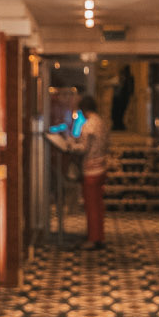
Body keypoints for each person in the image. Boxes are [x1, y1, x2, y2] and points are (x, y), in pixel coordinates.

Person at [48, 94, 109, 249]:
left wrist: (69, 146)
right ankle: (99, 236)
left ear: (83, 109)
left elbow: (83, 148)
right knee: (98, 205)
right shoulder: (100, 122)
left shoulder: (88, 125)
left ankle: (93, 239)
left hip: (91, 170)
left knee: (91, 206)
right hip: (101, 166)